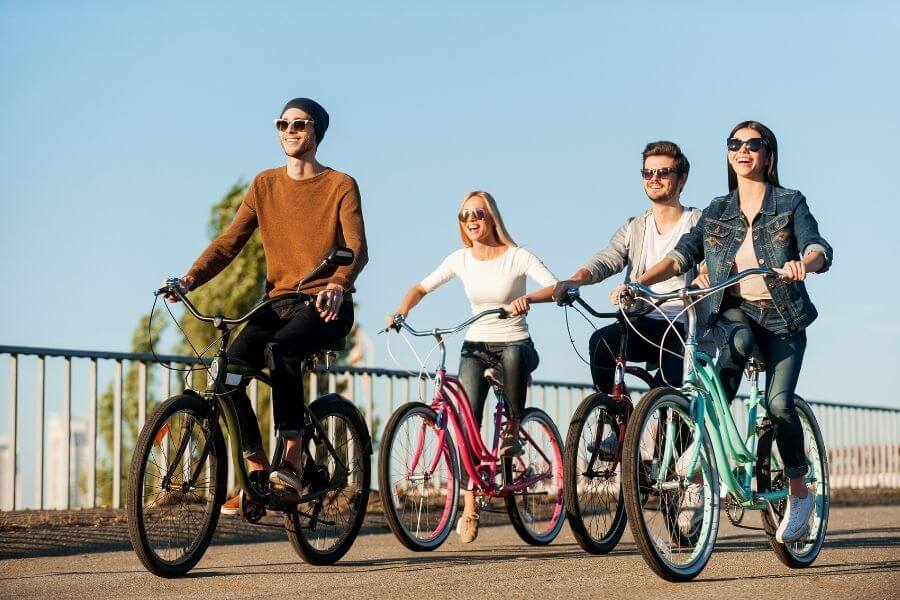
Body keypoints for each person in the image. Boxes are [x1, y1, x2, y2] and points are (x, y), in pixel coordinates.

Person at [619, 120, 832, 543]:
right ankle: (702, 456)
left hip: (784, 318)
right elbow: (683, 255)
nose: (743, 150)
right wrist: (640, 281)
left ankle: (799, 493)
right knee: (728, 349)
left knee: (779, 404)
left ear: (768, 155)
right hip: (737, 311)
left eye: (754, 144)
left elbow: (819, 248)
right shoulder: (718, 210)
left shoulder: (789, 202)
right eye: (735, 143)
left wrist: (802, 265)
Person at [165, 98, 368, 513]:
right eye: (282, 124)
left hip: (325, 304)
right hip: (276, 304)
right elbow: (228, 243)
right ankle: (259, 472)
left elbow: (357, 249)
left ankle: (291, 458)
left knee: (281, 350)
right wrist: (189, 278)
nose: (289, 130)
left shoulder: (340, 184)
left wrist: (339, 284)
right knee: (226, 372)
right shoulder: (264, 184)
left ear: (317, 132)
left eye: (299, 124)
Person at [387, 190, 557, 544]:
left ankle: (512, 432)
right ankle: (469, 506)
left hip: (516, 344)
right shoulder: (461, 260)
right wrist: (402, 311)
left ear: (492, 216)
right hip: (475, 346)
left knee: (511, 358)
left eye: (477, 212)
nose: (471, 220)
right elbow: (420, 287)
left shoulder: (517, 256)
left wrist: (529, 299)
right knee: (467, 423)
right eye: (464, 216)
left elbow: (555, 286)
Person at [552, 141, 706, 393]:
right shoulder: (636, 226)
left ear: (682, 179)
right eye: (648, 172)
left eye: (663, 172)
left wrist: (704, 278)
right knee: (601, 342)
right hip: (639, 322)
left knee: (667, 395)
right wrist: (575, 280)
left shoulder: (697, 221)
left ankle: (665, 425)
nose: (654, 178)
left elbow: (708, 262)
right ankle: (612, 415)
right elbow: (607, 259)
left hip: (681, 328)